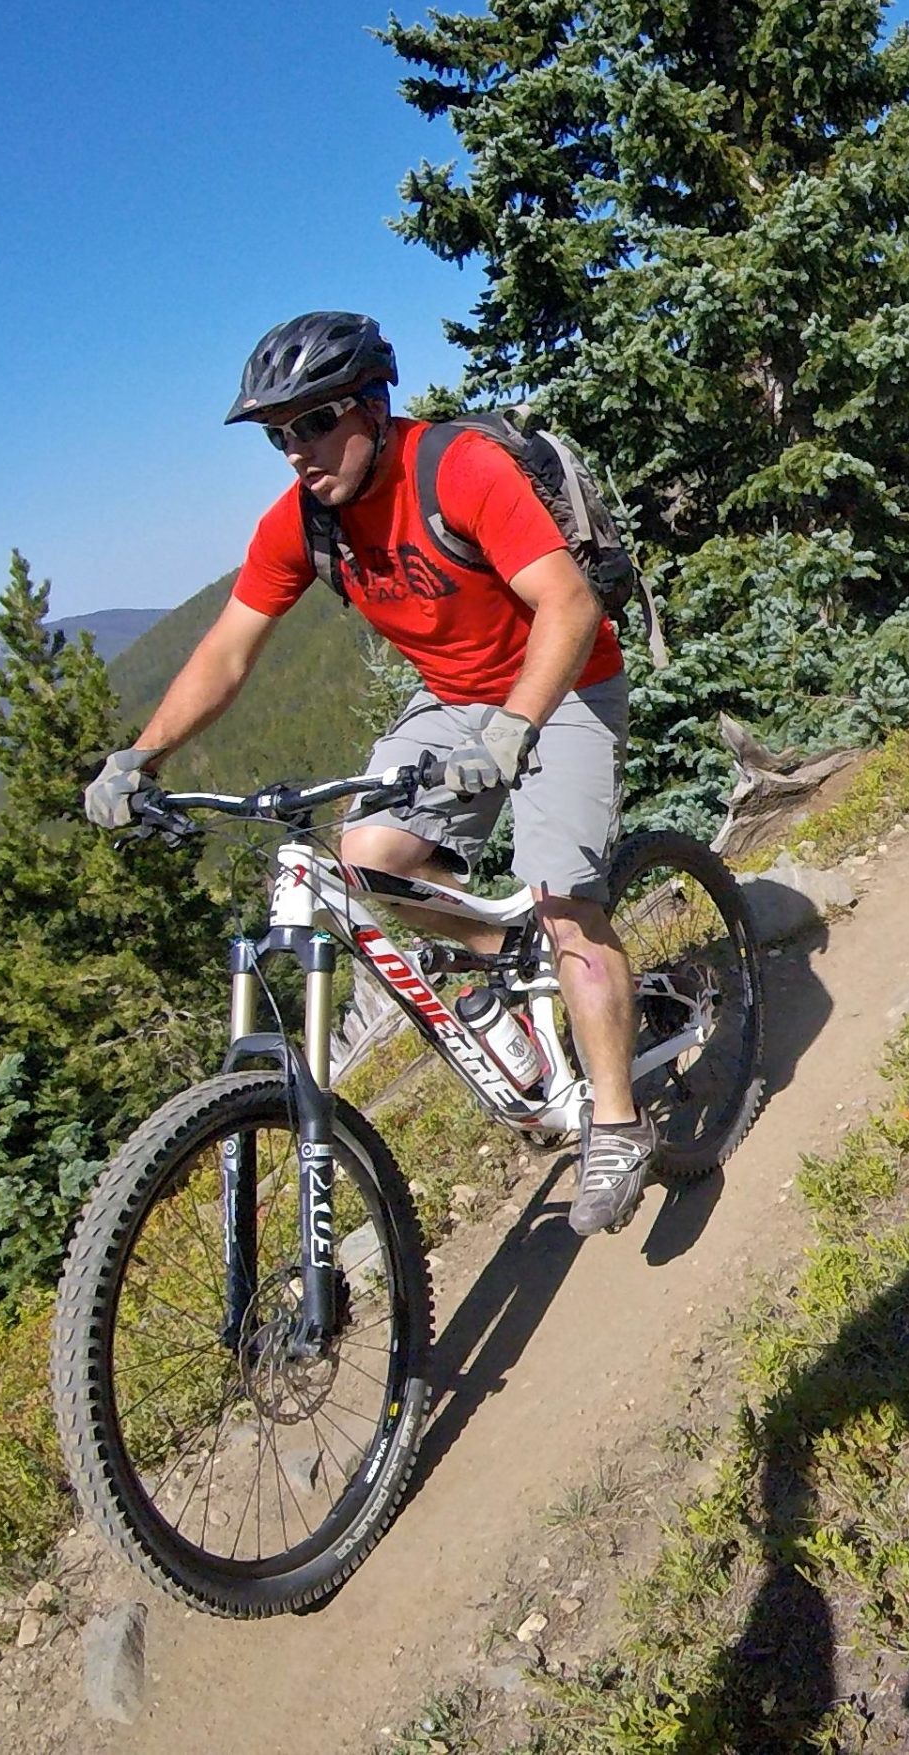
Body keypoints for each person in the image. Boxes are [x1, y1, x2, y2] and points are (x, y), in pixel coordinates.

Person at [83, 312, 654, 1238]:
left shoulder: (457, 471)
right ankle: (500, 966)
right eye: (279, 435)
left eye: (315, 423)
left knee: (564, 899)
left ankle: (620, 1121)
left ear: (374, 405)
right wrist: (142, 754)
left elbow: (569, 600)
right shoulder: (304, 524)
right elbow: (229, 652)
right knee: (369, 851)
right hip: (456, 700)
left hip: (565, 681)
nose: (297, 451)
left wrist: (516, 728)